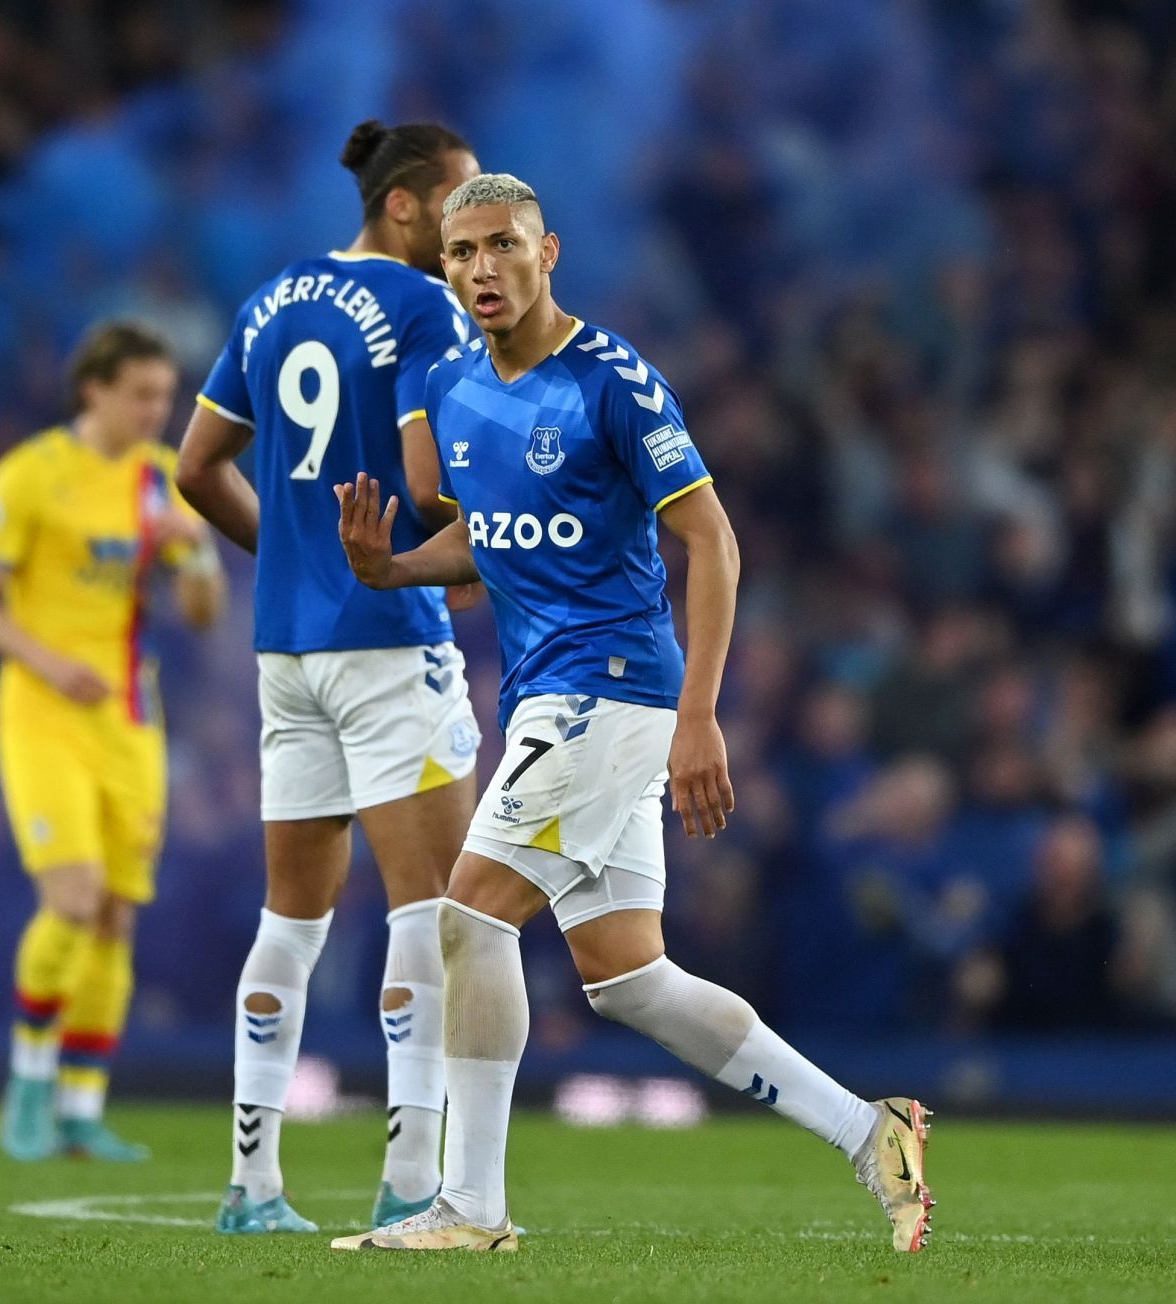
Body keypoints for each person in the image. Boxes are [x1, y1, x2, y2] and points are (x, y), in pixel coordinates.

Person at [329, 174, 934, 1254]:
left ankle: (470, 1206)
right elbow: (490, 539)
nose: (479, 270)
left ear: (547, 251)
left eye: (501, 246)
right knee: (628, 980)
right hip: (549, 695)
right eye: (461, 253)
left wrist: (700, 711)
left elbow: (713, 539)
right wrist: (394, 567)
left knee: (466, 918)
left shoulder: (613, 382)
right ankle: (867, 1127)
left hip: (609, 687)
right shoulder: (459, 388)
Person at [175, 120, 484, 1234]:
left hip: (286, 650)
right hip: (390, 632)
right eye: (458, 205)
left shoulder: (268, 300)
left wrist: (293, 554)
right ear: (405, 205)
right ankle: (410, 1184)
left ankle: (251, 1185)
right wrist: (477, 541)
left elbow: (195, 468)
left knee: (291, 920)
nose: (470, 234)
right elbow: (424, 478)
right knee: (430, 912)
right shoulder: (420, 306)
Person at [0, 320, 224, 1161]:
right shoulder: (32, 475)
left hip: (129, 722)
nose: (158, 410)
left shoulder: (162, 482)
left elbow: (203, 618)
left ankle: (82, 1106)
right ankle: (27, 1087)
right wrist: (49, 663)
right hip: (41, 712)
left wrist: (202, 555)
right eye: (142, 393)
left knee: (114, 917)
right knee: (69, 900)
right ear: (93, 390)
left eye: (166, 395)